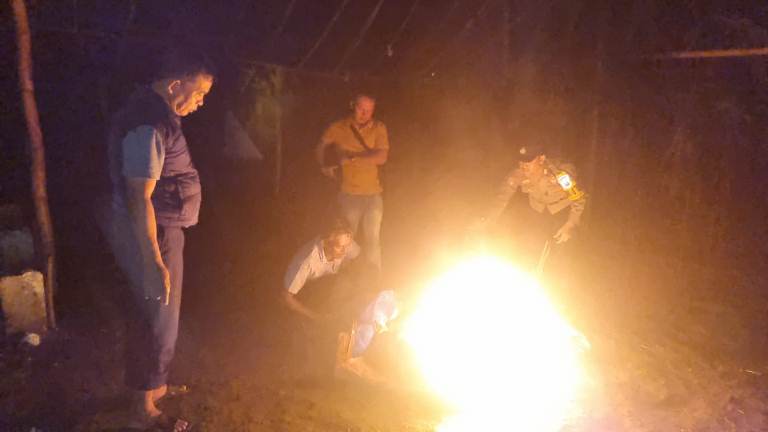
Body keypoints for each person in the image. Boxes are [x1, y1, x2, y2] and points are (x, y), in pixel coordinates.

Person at [102, 47, 214, 429]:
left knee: (163, 316)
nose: (200, 104)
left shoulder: (158, 115)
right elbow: (139, 195)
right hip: (155, 231)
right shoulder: (149, 123)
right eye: (198, 94)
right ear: (176, 83)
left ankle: (155, 386)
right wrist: (152, 256)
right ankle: (142, 410)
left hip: (166, 227)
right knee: (154, 316)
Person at [478, 144, 587, 272]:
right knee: (529, 250)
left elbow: (579, 198)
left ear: (541, 159)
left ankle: (560, 282)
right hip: (538, 211)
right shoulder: (518, 174)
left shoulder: (561, 175)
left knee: (560, 256)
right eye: (521, 161)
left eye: (528, 161)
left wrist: (570, 224)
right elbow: (502, 197)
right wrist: (487, 220)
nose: (523, 165)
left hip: (562, 213)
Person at [315, 94, 390, 271]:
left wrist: (351, 158)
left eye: (369, 110)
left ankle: (374, 280)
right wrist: (323, 164)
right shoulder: (339, 127)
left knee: (373, 240)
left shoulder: (378, 128)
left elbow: (382, 157)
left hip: (373, 194)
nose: (365, 113)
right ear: (353, 106)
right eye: (361, 109)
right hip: (349, 194)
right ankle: (343, 276)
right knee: (345, 241)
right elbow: (320, 147)